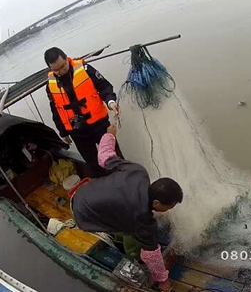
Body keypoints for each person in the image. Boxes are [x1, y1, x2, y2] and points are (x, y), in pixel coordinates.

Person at [69, 124, 182, 292]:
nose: (169, 210)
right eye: (169, 207)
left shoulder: (138, 172)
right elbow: (151, 255)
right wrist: (163, 280)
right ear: (157, 204)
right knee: (134, 237)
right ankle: (132, 255)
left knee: (133, 229)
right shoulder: (142, 219)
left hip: (82, 192)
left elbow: (105, 157)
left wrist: (109, 136)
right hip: (84, 215)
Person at [44, 47, 123, 178]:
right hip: (77, 132)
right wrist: (63, 132)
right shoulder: (50, 85)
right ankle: (107, 188)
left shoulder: (85, 69)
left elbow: (104, 86)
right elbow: (56, 109)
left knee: (114, 157)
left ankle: (125, 180)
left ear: (66, 58)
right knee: (93, 164)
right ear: (50, 69)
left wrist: (111, 101)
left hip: (99, 124)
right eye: (55, 70)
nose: (60, 72)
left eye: (63, 67)